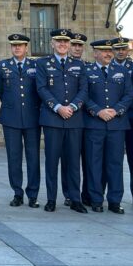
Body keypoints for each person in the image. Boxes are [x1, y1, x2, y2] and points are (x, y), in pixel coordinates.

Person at [36, 29, 88, 213]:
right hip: (52, 119)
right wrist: (58, 107)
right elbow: (41, 88)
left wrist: (72, 107)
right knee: (52, 161)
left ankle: (75, 199)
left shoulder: (79, 65)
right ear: (52, 44)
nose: (62, 45)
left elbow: (84, 90)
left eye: (65, 42)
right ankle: (51, 199)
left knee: (73, 162)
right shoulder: (43, 64)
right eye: (59, 42)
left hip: (74, 119)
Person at [83, 39, 133, 214]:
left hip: (116, 124)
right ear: (95, 53)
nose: (108, 54)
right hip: (94, 124)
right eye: (103, 51)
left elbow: (129, 95)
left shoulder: (122, 71)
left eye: (109, 51)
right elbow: (84, 95)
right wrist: (97, 111)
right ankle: (96, 199)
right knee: (94, 164)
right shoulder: (87, 71)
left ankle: (114, 200)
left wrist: (116, 110)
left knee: (115, 164)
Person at [0, 33, 41, 208]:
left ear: (26, 47)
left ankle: (33, 194)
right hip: (11, 118)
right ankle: (17, 193)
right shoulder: (3, 66)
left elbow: (38, 91)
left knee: (33, 157)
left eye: (21, 45)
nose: (17, 48)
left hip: (32, 118)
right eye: (14, 45)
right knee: (13, 158)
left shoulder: (35, 65)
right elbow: (1, 91)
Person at [112, 37, 133, 207]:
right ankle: (110, 195)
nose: (120, 52)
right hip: (111, 118)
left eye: (123, 49)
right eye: (117, 49)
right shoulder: (106, 67)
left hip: (132, 118)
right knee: (112, 158)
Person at [66, 31, 89, 206]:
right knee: (70, 159)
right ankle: (69, 194)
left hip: (90, 121)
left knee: (89, 161)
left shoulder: (88, 67)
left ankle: (88, 193)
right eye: (74, 45)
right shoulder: (64, 66)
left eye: (79, 45)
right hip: (72, 118)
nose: (76, 48)